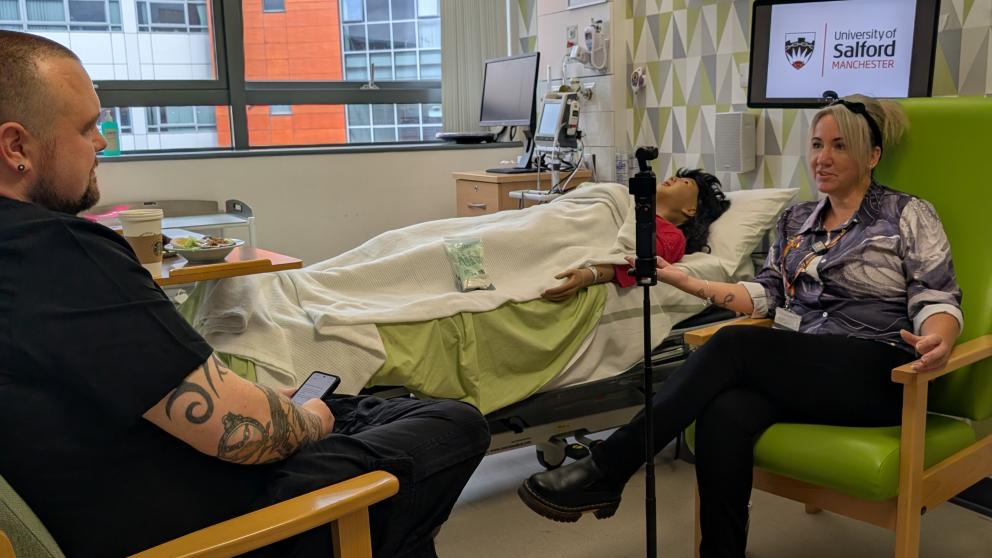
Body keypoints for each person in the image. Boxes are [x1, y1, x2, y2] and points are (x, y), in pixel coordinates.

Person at [0, 31, 490, 558]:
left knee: (355, 408)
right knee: (450, 425)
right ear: (16, 146)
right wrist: (301, 420)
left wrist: (270, 408)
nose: (100, 143)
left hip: (124, 489)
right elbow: (250, 434)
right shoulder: (58, 250)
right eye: (88, 127)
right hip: (216, 519)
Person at [518, 94, 963, 557]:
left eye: (839, 146)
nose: (822, 158)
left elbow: (937, 296)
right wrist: (686, 281)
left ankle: (610, 466)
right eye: (815, 144)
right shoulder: (795, 221)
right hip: (806, 371)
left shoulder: (907, 214)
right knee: (724, 411)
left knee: (736, 346)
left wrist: (939, 338)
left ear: (872, 155)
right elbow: (766, 293)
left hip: (881, 374)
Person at [541, 168, 730, 302]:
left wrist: (588, 275)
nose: (673, 177)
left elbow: (637, 261)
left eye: (685, 182)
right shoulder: (625, 201)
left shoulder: (673, 237)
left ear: (691, 209)